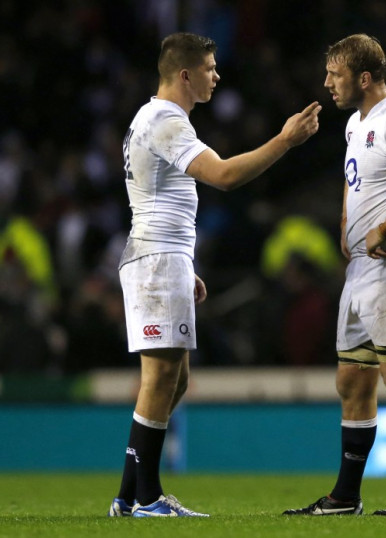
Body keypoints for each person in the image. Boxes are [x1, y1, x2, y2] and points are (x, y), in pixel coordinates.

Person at [107, 32, 321, 518]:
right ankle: (146, 497)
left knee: (174, 380)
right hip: (157, 258)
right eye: (209, 67)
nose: (217, 75)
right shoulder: (166, 120)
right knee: (161, 377)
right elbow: (224, 175)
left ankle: (128, 494)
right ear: (185, 74)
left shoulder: (152, 118)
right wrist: (285, 140)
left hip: (165, 257)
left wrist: (187, 266)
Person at [284, 34, 386, 516]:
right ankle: (345, 497)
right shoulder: (358, 124)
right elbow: (357, 179)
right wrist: (345, 223)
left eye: (334, 74)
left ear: (364, 77)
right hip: (362, 269)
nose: (327, 83)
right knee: (353, 381)